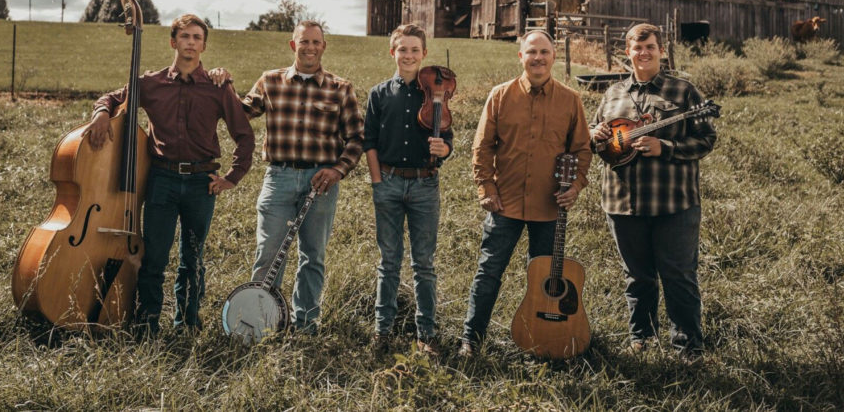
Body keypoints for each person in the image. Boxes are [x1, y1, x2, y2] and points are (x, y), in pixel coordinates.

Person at [86, 14, 255, 336]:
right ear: (173, 41)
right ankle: (146, 325)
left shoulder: (217, 88)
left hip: (200, 183)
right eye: (185, 37)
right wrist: (101, 114)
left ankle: (186, 325)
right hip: (161, 180)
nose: (191, 43)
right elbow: (111, 97)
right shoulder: (151, 84)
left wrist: (232, 177)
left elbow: (244, 135)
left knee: (192, 259)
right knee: (154, 258)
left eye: (197, 37)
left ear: (203, 45)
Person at [459, 30, 592, 357]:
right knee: (489, 271)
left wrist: (575, 186)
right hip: (504, 203)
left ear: (554, 57)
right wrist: (486, 188)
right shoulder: (500, 96)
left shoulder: (570, 100)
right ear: (521, 56)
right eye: (531, 52)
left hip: (550, 209)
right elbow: (482, 146)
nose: (538, 58)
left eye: (544, 52)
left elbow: (582, 150)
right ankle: (470, 339)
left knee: (544, 281)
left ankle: (541, 342)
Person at [590, 23, 716, 360]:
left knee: (678, 275)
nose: (643, 53)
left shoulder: (684, 91)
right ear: (627, 52)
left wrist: (667, 147)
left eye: (650, 47)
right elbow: (593, 136)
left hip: (673, 202)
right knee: (637, 276)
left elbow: (707, 140)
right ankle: (642, 339)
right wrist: (597, 134)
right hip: (622, 201)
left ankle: (688, 346)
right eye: (637, 48)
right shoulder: (613, 93)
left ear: (661, 49)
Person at [241, 20, 364, 334]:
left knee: (313, 255)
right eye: (304, 41)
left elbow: (357, 138)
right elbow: (239, 113)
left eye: (316, 42)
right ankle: (263, 322)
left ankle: (306, 323)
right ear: (292, 45)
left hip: (320, 182)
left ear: (323, 46)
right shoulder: (270, 81)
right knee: (269, 252)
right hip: (279, 177)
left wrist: (338, 170)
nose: (310, 47)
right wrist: (219, 84)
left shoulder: (340, 88)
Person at [363, 24, 453, 356]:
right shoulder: (379, 93)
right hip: (386, 181)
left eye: (415, 50)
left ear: (424, 54)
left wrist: (444, 149)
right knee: (388, 261)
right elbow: (368, 141)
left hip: (424, 184)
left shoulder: (437, 93)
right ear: (393, 52)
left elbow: (449, 140)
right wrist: (377, 182)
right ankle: (382, 332)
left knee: (424, 263)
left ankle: (426, 334)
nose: (409, 56)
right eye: (403, 49)